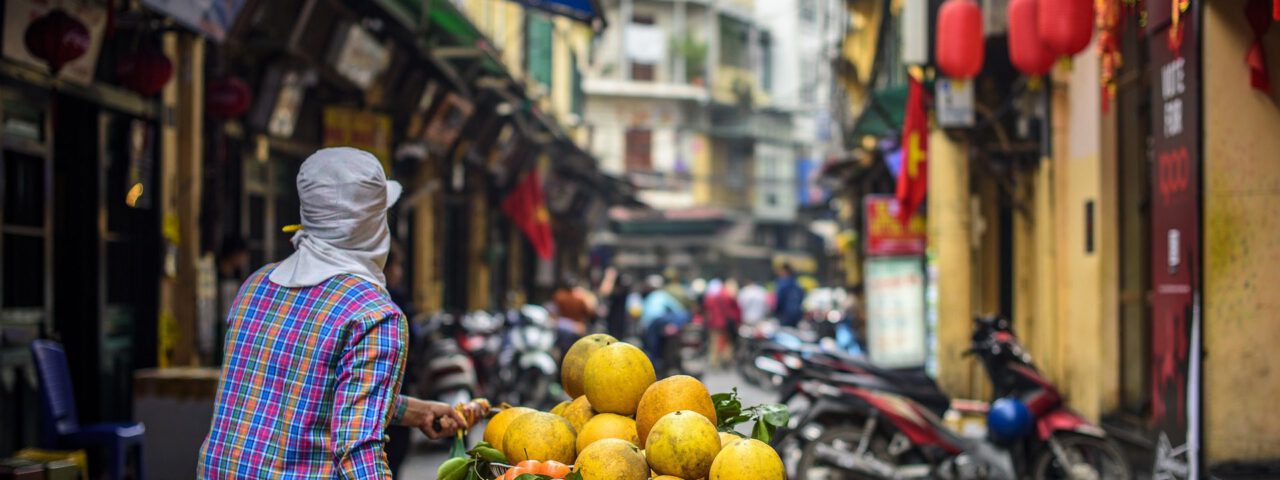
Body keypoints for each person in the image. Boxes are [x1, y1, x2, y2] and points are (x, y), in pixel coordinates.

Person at [199, 148, 465, 479]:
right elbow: (358, 449)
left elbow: (305, 389)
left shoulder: (256, 286)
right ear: (374, 225)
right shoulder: (375, 315)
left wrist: (413, 410)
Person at [639, 274, 688, 370]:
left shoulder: (648, 297)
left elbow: (643, 316)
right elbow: (679, 310)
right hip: (659, 321)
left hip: (650, 325)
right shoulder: (662, 295)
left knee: (651, 349)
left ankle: (653, 367)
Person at [701, 279, 740, 370]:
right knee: (727, 342)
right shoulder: (727, 296)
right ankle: (725, 359)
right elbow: (735, 310)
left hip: (713, 323)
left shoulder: (711, 297)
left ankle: (714, 362)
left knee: (714, 343)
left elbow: (705, 308)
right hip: (725, 323)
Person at [774, 263, 805, 328]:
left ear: (785, 271)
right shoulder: (797, 284)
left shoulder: (783, 283)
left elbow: (779, 300)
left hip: (785, 315)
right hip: (797, 315)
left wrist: (775, 312)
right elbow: (801, 298)